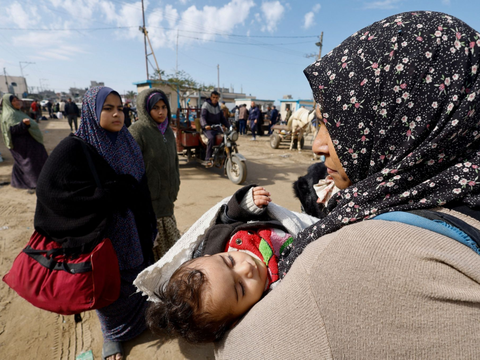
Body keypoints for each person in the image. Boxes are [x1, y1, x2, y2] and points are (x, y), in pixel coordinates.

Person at [213, 11, 480, 359]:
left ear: (397, 122)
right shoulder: (459, 192)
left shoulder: (344, 260)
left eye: (334, 124)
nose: (317, 145)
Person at [34, 87, 157, 360]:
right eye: (107, 108)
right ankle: (112, 334)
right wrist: (106, 196)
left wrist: (149, 220)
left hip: (134, 229)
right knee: (107, 283)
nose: (116, 114)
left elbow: (140, 185)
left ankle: (140, 318)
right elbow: (50, 190)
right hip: (105, 234)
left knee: (136, 276)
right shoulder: (76, 146)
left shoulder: (127, 141)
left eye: (120, 108)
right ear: (91, 111)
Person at [144, 185, 294, 343]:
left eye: (230, 261)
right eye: (241, 288)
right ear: (237, 319)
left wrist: (247, 204)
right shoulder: (274, 293)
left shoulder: (225, 241)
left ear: (213, 255)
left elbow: (227, 218)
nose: (247, 268)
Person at [129, 89, 181, 262]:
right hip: (149, 206)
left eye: (164, 107)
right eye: (155, 108)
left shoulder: (167, 131)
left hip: (167, 202)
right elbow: (131, 170)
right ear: (145, 109)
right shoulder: (137, 132)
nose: (161, 112)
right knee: (153, 252)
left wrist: (175, 185)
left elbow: (174, 161)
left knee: (172, 251)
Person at [0, 94, 48, 191]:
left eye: (17, 99)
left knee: (22, 163)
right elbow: (12, 131)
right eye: (13, 101)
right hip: (23, 145)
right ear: (8, 103)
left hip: (28, 141)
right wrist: (24, 125)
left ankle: (18, 182)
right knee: (31, 163)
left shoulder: (17, 112)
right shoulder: (10, 114)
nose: (17, 102)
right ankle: (36, 182)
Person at [200, 91, 230, 166]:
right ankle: (208, 159)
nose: (215, 99)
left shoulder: (218, 106)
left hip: (217, 127)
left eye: (217, 98)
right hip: (208, 128)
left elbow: (222, 118)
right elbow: (202, 116)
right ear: (211, 97)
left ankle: (226, 156)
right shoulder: (205, 104)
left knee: (227, 137)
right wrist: (205, 124)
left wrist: (229, 126)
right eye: (213, 97)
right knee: (211, 138)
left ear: (218, 98)